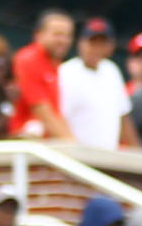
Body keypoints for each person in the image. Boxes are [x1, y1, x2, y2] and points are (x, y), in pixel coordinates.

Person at [56, 16, 132, 149]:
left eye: (101, 43)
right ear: (80, 43)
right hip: (75, 154)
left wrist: (135, 150)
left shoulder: (112, 70)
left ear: (110, 46)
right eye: (92, 42)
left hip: (108, 155)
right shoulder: (66, 71)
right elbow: (59, 117)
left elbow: (123, 116)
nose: (96, 48)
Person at [7, 11, 74, 139]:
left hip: (44, 144)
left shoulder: (54, 65)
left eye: (68, 36)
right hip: (25, 144)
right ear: (39, 35)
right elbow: (43, 113)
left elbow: (56, 114)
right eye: (57, 34)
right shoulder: (29, 59)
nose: (63, 41)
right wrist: (73, 147)